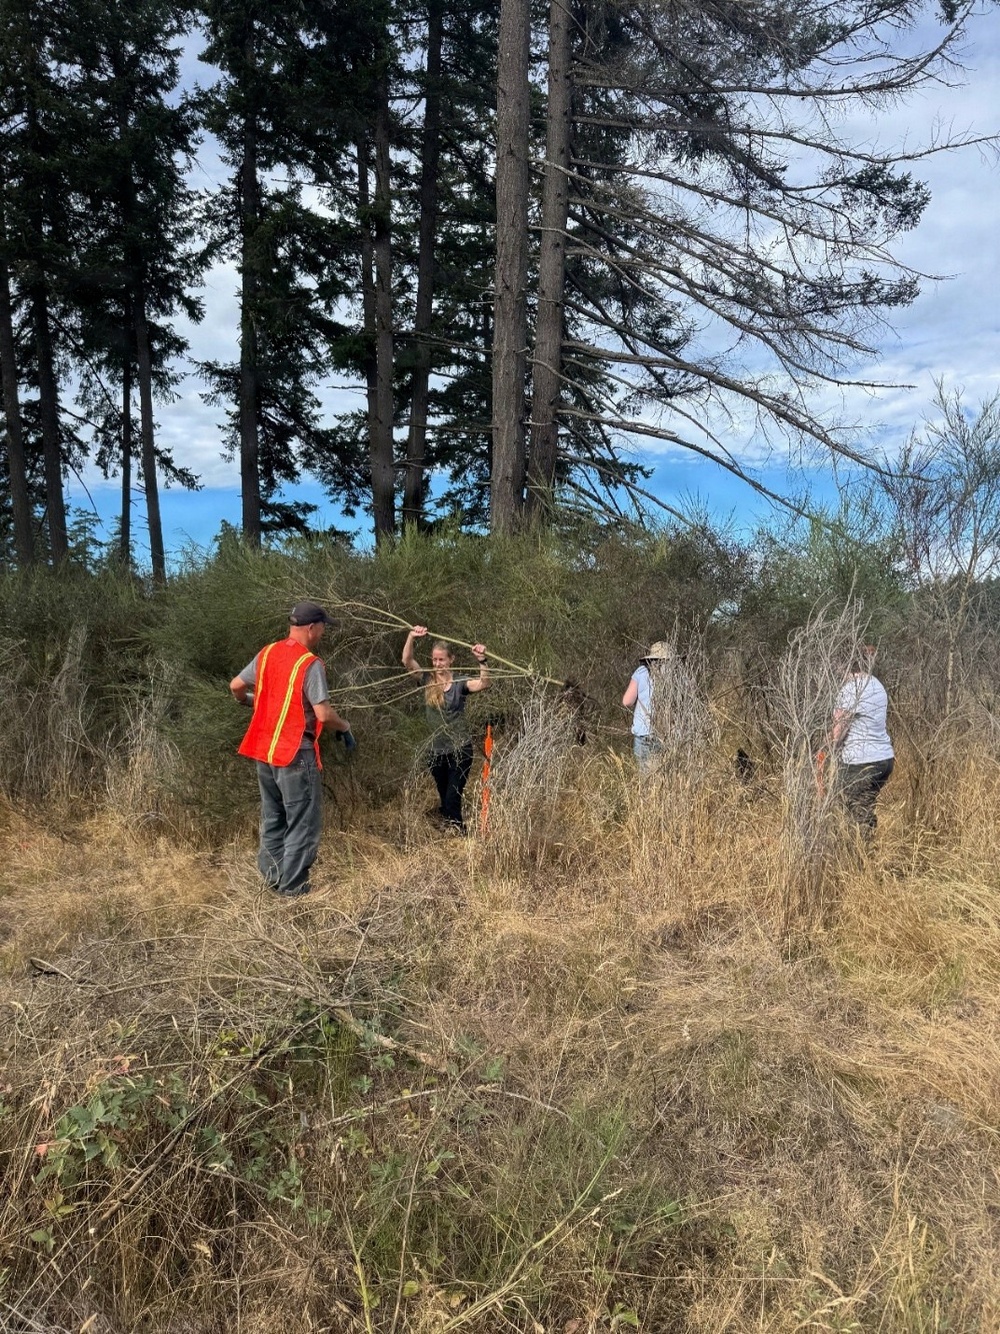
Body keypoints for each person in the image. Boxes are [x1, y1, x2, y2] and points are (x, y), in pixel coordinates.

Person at [230, 601, 355, 897]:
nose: (323, 633)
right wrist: (345, 726)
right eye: (323, 627)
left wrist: (253, 702)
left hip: (265, 752)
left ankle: (273, 879)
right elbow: (323, 715)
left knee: (273, 817)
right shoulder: (309, 664)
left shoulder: (267, 653)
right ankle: (293, 890)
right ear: (311, 628)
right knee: (302, 823)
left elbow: (236, 686)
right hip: (294, 754)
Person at [402, 625, 489, 832]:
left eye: (441, 659)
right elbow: (407, 661)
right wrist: (411, 637)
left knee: (453, 795)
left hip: (460, 749)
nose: (437, 663)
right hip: (436, 751)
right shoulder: (426, 680)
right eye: (434, 659)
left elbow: (483, 683)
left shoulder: (460, 682)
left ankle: (459, 835)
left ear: (451, 660)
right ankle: (451, 829)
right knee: (444, 794)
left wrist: (482, 661)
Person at [830, 650, 894, 840]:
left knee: (854, 814)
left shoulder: (851, 689)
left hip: (861, 762)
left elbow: (839, 732)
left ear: (843, 664)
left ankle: (861, 853)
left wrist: (823, 748)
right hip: (884, 760)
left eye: (836, 664)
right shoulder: (876, 684)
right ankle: (868, 849)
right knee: (864, 807)